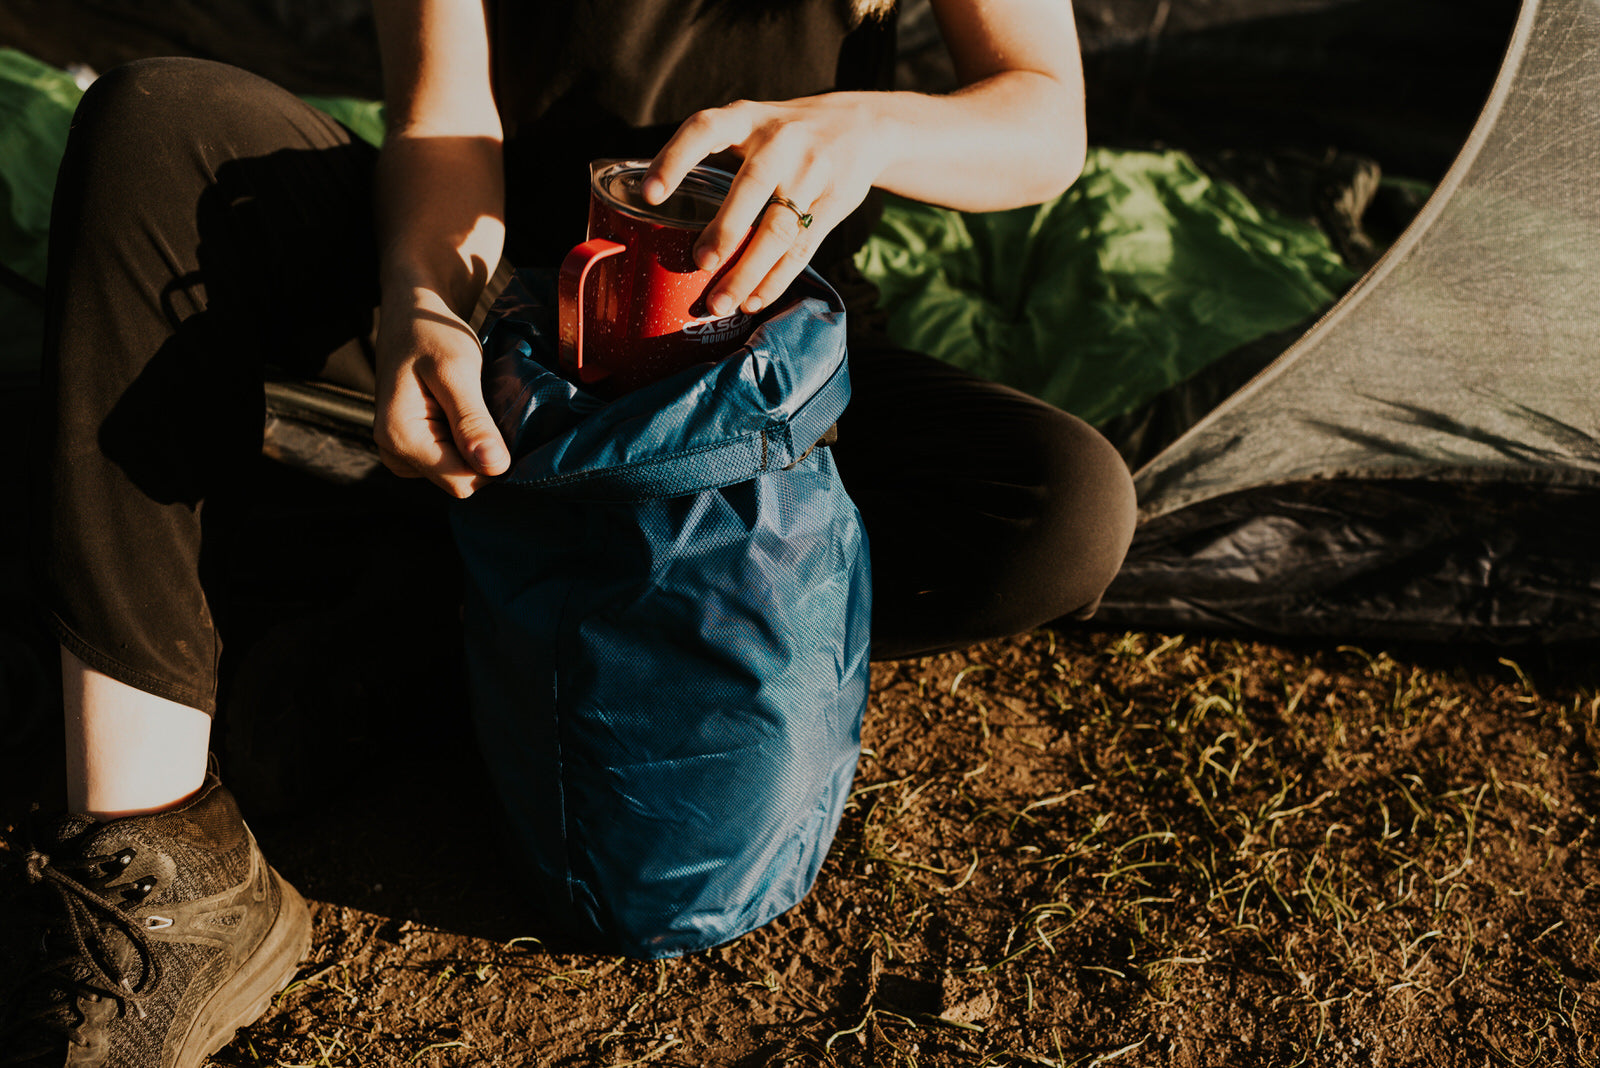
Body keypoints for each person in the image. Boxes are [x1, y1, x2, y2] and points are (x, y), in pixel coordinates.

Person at [5, 0, 1137, 1063]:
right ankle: (168, 849)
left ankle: (457, 625)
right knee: (161, 122)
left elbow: (1039, 115)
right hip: (501, 329)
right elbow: (447, 116)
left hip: (744, 370)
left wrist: (863, 125)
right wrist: (429, 305)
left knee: (1059, 508)